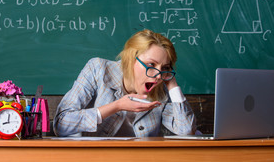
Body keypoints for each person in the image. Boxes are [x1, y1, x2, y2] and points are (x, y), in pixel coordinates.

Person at [53, 29, 196, 137]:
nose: (158, 76)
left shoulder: (162, 90)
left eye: (164, 68)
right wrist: (117, 106)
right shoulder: (98, 70)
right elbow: (61, 124)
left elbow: (187, 131)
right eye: (151, 64)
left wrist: (172, 83)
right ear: (130, 59)